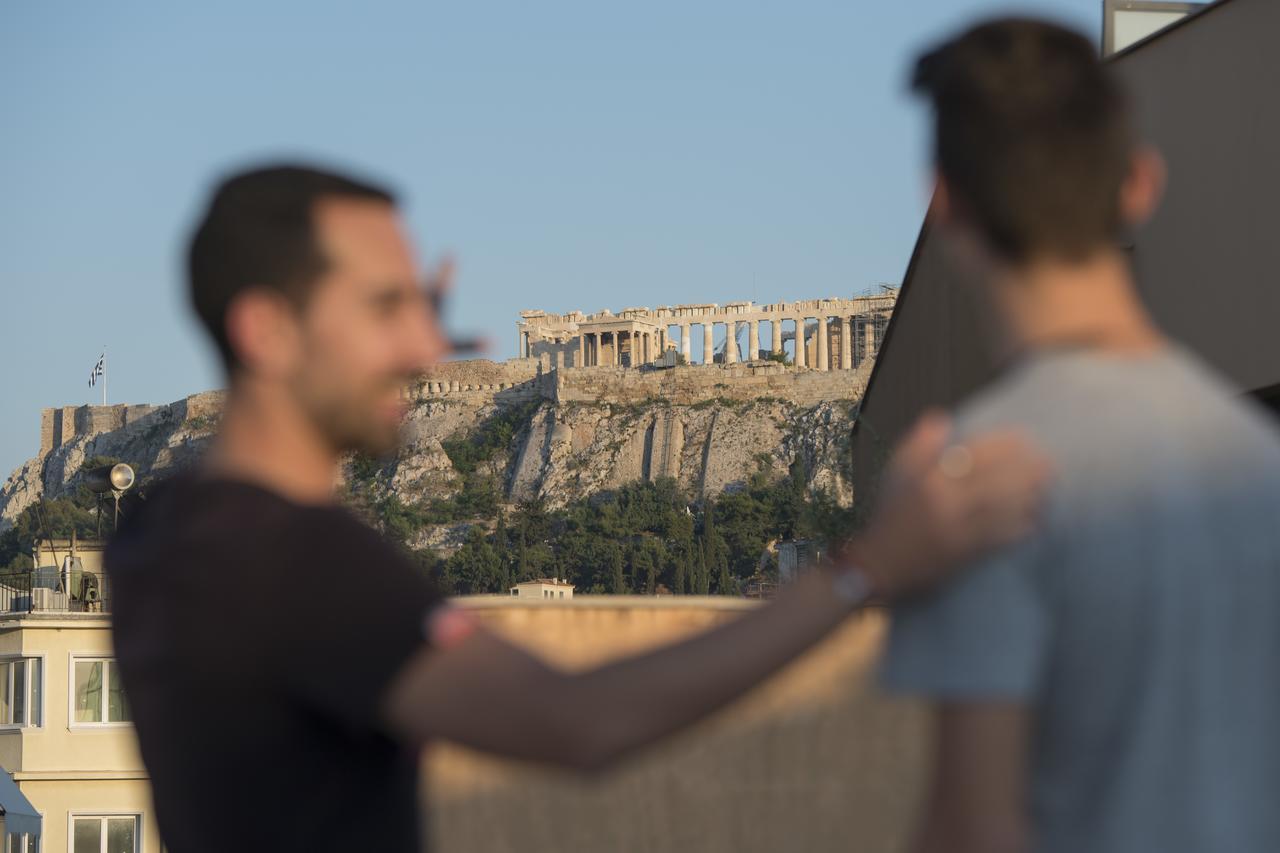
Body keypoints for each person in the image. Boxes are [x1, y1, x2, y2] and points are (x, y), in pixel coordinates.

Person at [105, 165, 1049, 853]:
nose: (428, 340)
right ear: (266, 328)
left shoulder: (159, 530)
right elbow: (579, 722)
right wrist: (870, 565)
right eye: (385, 303)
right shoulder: (294, 559)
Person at [880, 18, 1280, 853]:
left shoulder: (971, 486)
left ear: (946, 205)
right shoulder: (1261, 461)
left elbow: (973, 828)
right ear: (1138, 181)